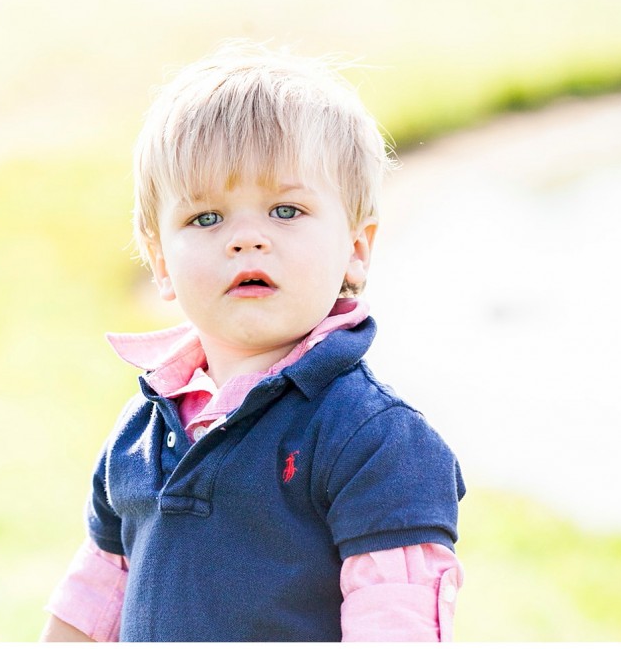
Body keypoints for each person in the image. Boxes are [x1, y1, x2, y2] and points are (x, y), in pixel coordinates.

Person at [39, 40, 465, 642]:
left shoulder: (372, 440)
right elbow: (95, 598)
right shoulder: (143, 429)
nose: (246, 239)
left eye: (285, 211)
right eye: (206, 218)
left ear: (356, 248)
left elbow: (395, 624)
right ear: (160, 261)